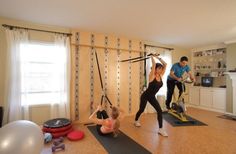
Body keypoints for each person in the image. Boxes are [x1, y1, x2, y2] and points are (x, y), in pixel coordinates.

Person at [134, 55, 168, 137]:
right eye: (158, 68)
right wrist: (152, 57)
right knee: (141, 109)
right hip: (145, 96)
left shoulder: (160, 75)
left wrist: (158, 57)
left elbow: (165, 64)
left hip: (152, 97)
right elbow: (154, 64)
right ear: (155, 69)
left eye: (161, 68)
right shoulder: (151, 75)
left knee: (159, 111)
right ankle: (136, 120)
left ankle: (160, 129)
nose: (160, 70)